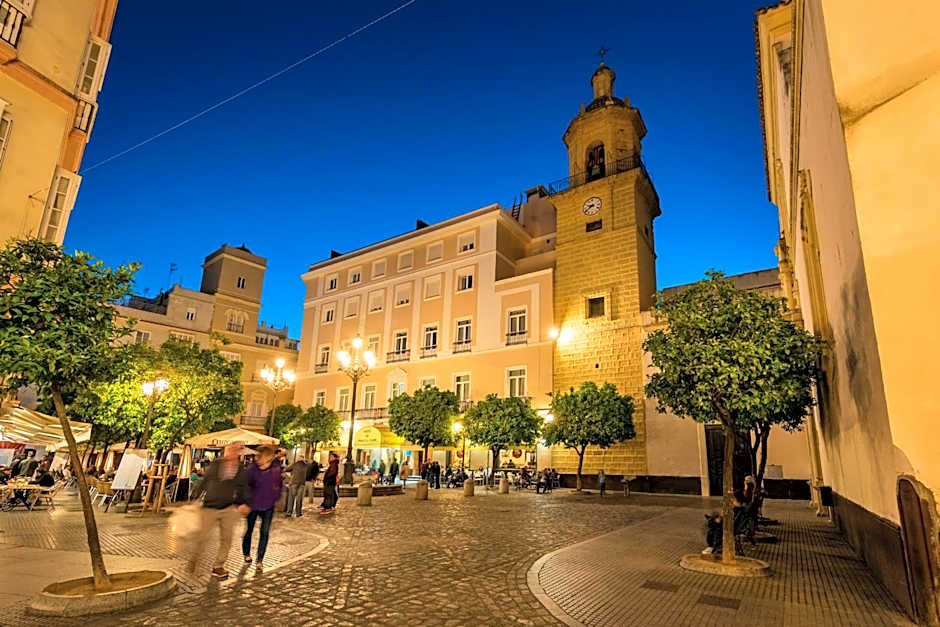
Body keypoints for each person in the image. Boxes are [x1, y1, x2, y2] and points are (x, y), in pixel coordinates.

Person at [188, 444, 250, 579]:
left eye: (234, 451)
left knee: (227, 538)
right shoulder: (216, 464)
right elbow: (204, 481)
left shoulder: (240, 468)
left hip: (227, 506)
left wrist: (244, 503)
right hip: (210, 505)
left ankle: (218, 566)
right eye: (229, 451)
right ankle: (194, 558)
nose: (231, 454)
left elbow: (242, 487)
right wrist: (195, 497)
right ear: (225, 452)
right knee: (202, 537)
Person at [242, 445, 282, 569]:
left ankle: (260, 559)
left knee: (264, 532)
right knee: (249, 530)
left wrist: (275, 498)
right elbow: (244, 487)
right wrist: (244, 502)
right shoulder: (252, 470)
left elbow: (279, 486)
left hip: (268, 506)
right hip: (253, 505)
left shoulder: (275, 470)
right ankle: (246, 553)